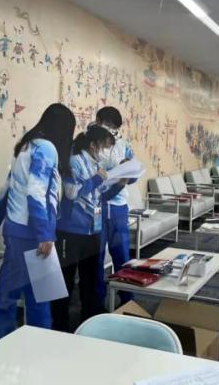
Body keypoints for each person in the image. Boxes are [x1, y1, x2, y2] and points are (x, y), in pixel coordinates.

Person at [0, 103, 76, 341]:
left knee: (9, 293)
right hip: (32, 234)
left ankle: (3, 343)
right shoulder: (47, 149)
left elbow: (7, 188)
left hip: (16, 230)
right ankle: (37, 346)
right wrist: (45, 235)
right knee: (38, 297)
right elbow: (36, 192)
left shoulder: (25, 146)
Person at [50, 125, 120, 332]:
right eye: (104, 147)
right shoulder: (75, 161)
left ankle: (89, 322)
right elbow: (72, 192)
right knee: (65, 280)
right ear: (93, 144)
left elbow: (99, 196)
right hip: (71, 231)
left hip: (93, 230)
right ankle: (60, 325)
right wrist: (97, 178)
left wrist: (119, 185)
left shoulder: (97, 164)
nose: (105, 152)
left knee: (90, 280)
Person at [93, 107, 136, 309]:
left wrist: (128, 170)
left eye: (114, 127)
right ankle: (96, 303)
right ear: (98, 121)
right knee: (96, 258)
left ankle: (128, 300)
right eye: (107, 125)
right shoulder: (89, 143)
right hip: (96, 208)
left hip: (119, 208)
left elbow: (133, 175)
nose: (111, 130)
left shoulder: (123, 144)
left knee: (122, 255)